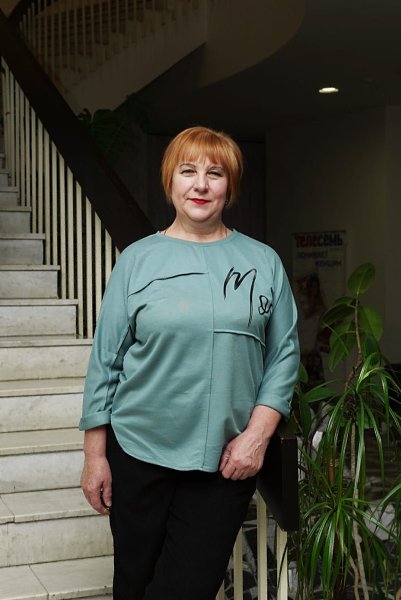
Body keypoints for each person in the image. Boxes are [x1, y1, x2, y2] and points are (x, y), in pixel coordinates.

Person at [79, 126, 300, 600]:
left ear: (229, 187)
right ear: (170, 182)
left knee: (188, 586)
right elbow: (106, 362)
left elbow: (283, 356)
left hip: (225, 460)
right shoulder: (137, 260)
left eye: (214, 173)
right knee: (133, 583)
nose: (200, 184)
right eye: (188, 171)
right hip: (138, 451)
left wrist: (257, 437)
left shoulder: (263, 262)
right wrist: (95, 456)